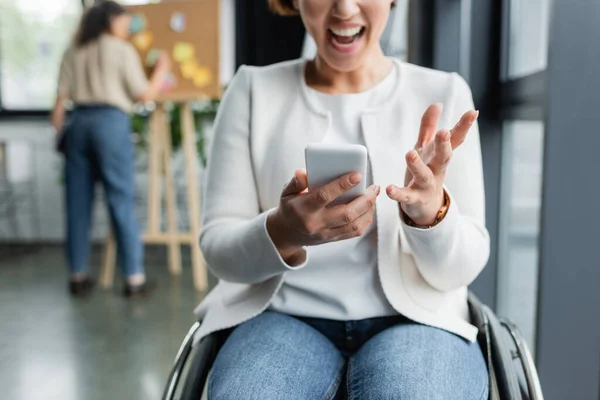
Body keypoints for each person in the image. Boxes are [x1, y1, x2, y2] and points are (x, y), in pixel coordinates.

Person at [195, 0, 490, 398]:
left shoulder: (444, 92)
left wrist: (429, 214)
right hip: (281, 316)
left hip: (416, 320)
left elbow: (460, 269)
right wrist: (282, 231)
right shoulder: (251, 91)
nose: (345, 9)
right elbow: (218, 250)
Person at [51, 0, 171, 298]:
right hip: (110, 123)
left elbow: (57, 108)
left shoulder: (73, 48)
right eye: (124, 21)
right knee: (120, 200)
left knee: (77, 204)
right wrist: (162, 70)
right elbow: (144, 94)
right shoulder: (121, 50)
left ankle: (77, 277)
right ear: (111, 20)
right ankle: (134, 279)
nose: (128, 27)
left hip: (77, 123)